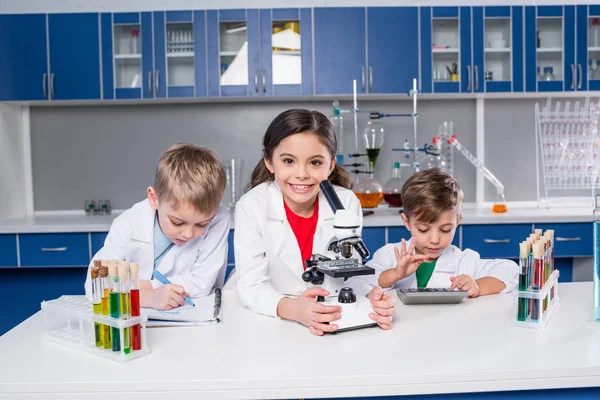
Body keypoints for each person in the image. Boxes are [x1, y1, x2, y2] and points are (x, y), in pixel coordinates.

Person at [233, 109, 395, 336]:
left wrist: (372, 297)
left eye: (315, 162)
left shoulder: (346, 202)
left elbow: (349, 271)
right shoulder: (251, 207)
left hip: (327, 315)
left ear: (330, 166)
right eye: (288, 161)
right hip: (271, 322)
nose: (301, 174)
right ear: (269, 162)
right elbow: (251, 286)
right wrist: (293, 309)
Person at [84, 143, 230, 310]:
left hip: (194, 316)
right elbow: (94, 285)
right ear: (154, 199)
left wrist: (142, 286)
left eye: (202, 224)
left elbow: (201, 282)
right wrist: (145, 297)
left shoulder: (219, 218)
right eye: (177, 222)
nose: (188, 233)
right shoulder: (127, 224)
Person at [368, 168, 518, 297]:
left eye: (446, 229)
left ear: (457, 222)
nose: (435, 239)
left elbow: (511, 271)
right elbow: (360, 282)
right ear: (406, 222)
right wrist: (395, 274)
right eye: (423, 229)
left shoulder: (464, 261)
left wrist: (477, 287)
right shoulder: (388, 255)